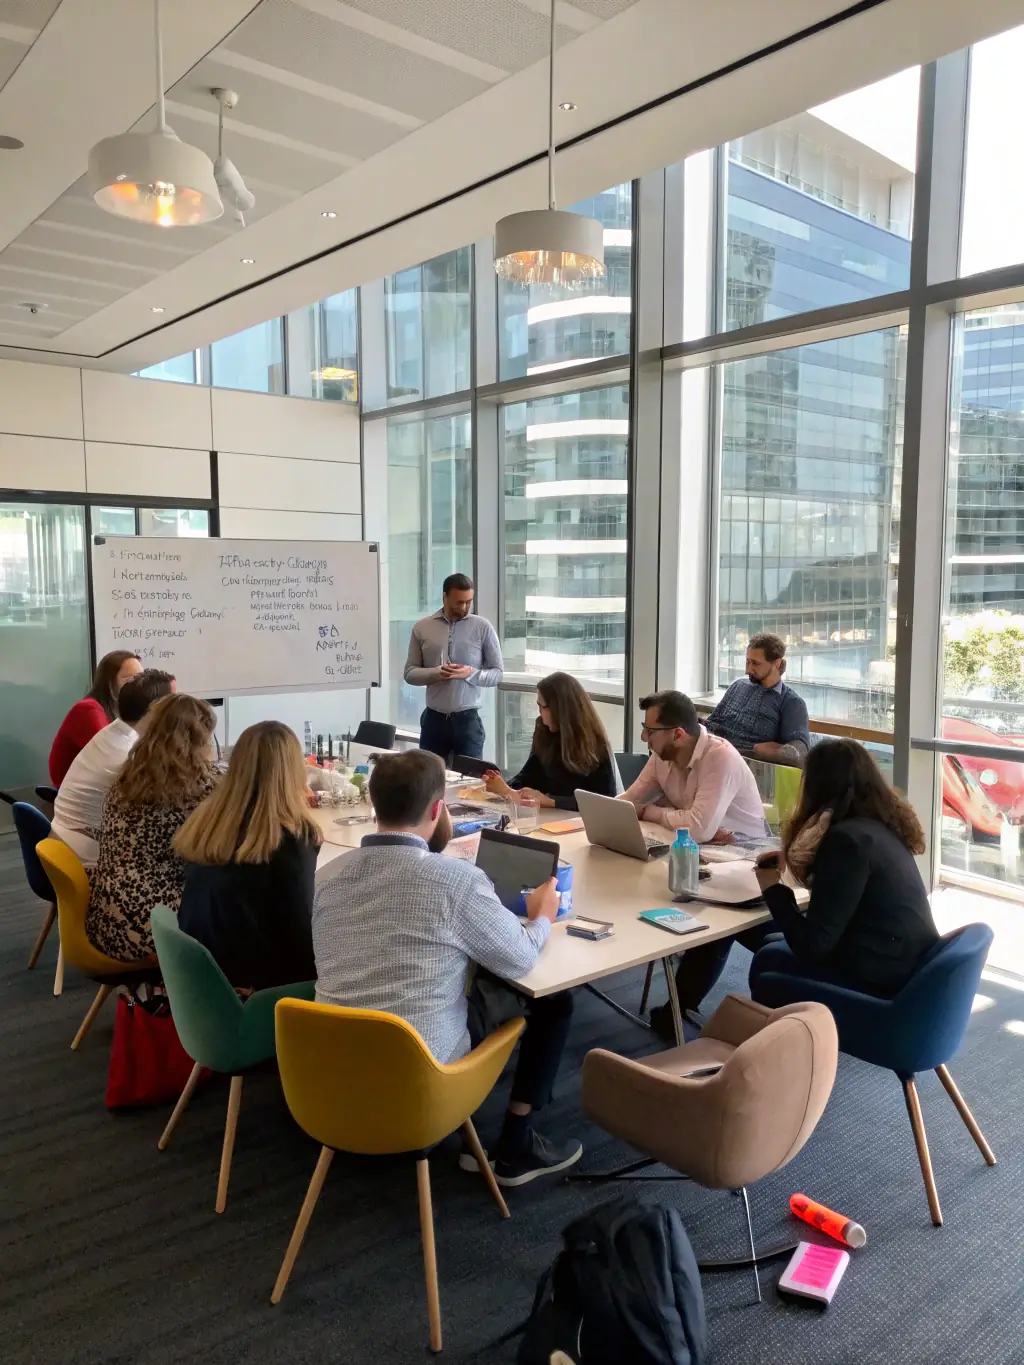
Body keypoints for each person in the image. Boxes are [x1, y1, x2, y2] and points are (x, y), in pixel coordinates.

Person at [313, 749, 580, 1187]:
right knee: (554, 1000)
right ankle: (515, 1148)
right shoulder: (455, 881)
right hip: (422, 1083)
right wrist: (542, 916)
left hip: (327, 1079)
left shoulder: (327, 876)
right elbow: (520, 957)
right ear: (438, 810)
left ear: (374, 803)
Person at [748, 738, 940, 999]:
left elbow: (813, 946)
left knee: (767, 961)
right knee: (771, 946)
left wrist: (772, 888)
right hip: (906, 962)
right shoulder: (879, 827)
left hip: (883, 976)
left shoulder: (845, 841)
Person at [175, 721, 321, 990]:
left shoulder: (209, 824)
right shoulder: (288, 842)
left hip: (200, 987)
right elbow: (301, 944)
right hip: (258, 995)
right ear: (294, 773)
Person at [86, 694, 218, 964]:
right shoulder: (194, 790)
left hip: (106, 919)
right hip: (152, 930)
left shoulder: (128, 776)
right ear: (199, 739)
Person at [50, 669, 175, 869]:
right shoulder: (128, 756)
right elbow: (162, 814)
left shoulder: (114, 733)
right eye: (175, 702)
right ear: (156, 710)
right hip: (88, 860)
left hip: (67, 843)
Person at [620, 690, 768, 841]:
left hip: (747, 846)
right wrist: (612, 810)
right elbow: (630, 800)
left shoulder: (720, 757)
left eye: (650, 731)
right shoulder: (663, 755)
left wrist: (647, 812)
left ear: (678, 735)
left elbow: (697, 829)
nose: (643, 737)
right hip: (703, 844)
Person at [404, 573, 503, 764]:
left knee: (469, 778)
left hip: (468, 721)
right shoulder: (422, 628)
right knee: (428, 776)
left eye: (468, 602)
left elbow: (497, 673)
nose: (464, 608)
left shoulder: (483, 627)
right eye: (459, 602)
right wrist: (436, 673)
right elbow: (409, 674)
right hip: (433, 720)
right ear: (444, 597)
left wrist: (471, 674)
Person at [483, 671, 617, 811]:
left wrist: (552, 801)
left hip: (578, 820)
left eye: (543, 707)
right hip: (547, 816)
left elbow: (605, 800)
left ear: (560, 709)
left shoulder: (594, 743)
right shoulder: (543, 729)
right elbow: (528, 775)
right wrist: (502, 787)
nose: (539, 712)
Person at [705, 632, 811, 766]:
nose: (748, 670)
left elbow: (798, 753)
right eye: (747, 662)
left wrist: (764, 751)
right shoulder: (738, 685)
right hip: (712, 753)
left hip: (742, 764)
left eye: (755, 663)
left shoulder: (791, 703)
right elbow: (710, 724)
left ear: (777, 663)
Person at [49, 650, 143, 785]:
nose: (138, 685)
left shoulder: (119, 710)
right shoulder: (88, 709)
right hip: (82, 792)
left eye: (141, 678)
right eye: (130, 679)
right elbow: (111, 757)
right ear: (109, 683)